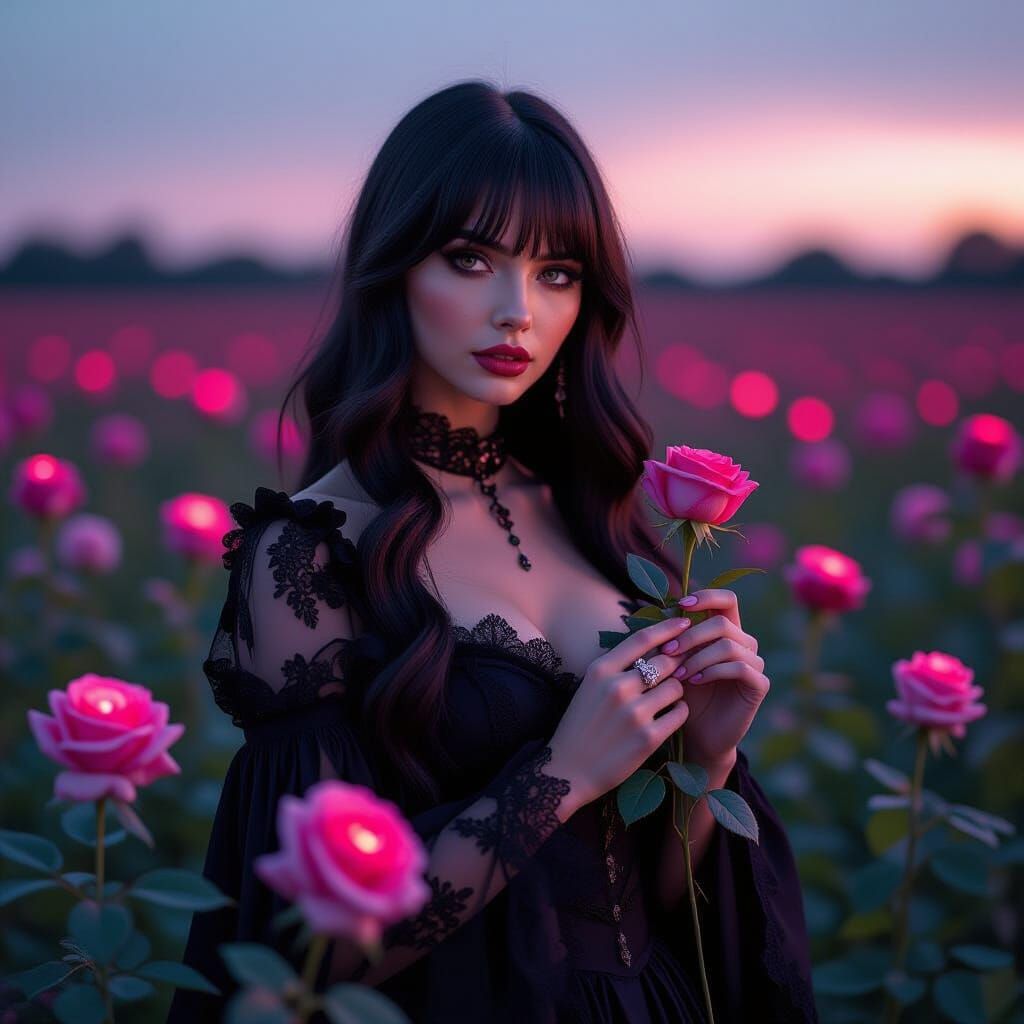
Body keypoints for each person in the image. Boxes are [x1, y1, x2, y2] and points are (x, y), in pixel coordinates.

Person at [167, 80, 817, 1024]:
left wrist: (708, 762)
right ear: (394, 267)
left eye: (557, 271)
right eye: (471, 259)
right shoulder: (305, 556)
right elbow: (310, 948)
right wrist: (560, 776)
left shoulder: (603, 519)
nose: (518, 310)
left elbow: (658, 906)